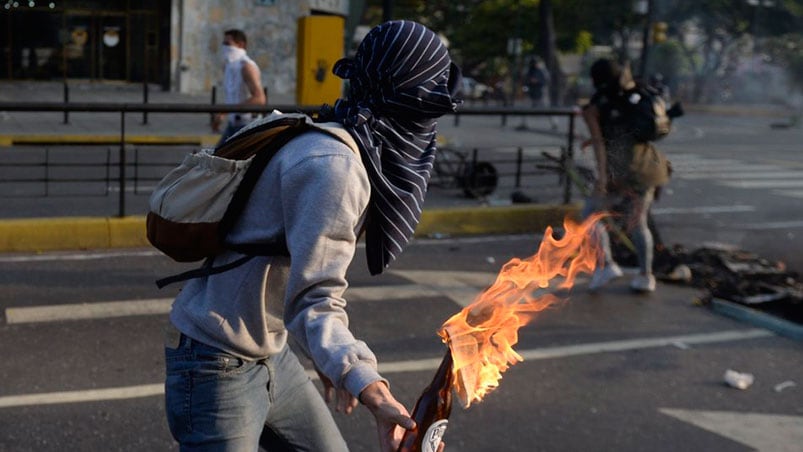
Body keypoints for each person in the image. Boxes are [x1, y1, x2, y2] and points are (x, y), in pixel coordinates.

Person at [163, 20, 461, 451]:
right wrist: (369, 387)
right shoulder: (336, 167)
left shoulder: (334, 134)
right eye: (427, 110)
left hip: (270, 353)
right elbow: (313, 299)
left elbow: (296, 275)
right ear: (408, 105)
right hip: (215, 363)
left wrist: (329, 363)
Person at [580, 58, 665, 293]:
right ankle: (646, 277)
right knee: (639, 223)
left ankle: (606, 265)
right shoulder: (633, 97)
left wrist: (602, 180)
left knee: (590, 215)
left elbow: (599, 145)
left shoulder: (596, 107)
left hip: (622, 173)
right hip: (648, 170)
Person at [212, 29, 266, 145]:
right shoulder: (229, 66)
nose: (224, 47)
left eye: (228, 44)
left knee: (223, 158)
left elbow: (259, 99)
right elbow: (234, 97)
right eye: (224, 44)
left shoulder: (247, 67)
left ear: (241, 45)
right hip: (233, 123)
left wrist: (228, 111)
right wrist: (222, 114)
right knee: (218, 156)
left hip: (248, 125)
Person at [525, 57, 558, 129]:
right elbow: (526, 80)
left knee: (546, 108)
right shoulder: (530, 71)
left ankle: (554, 123)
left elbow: (546, 81)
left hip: (541, 92)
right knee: (526, 108)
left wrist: (537, 81)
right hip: (532, 92)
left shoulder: (542, 71)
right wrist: (530, 81)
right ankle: (525, 123)